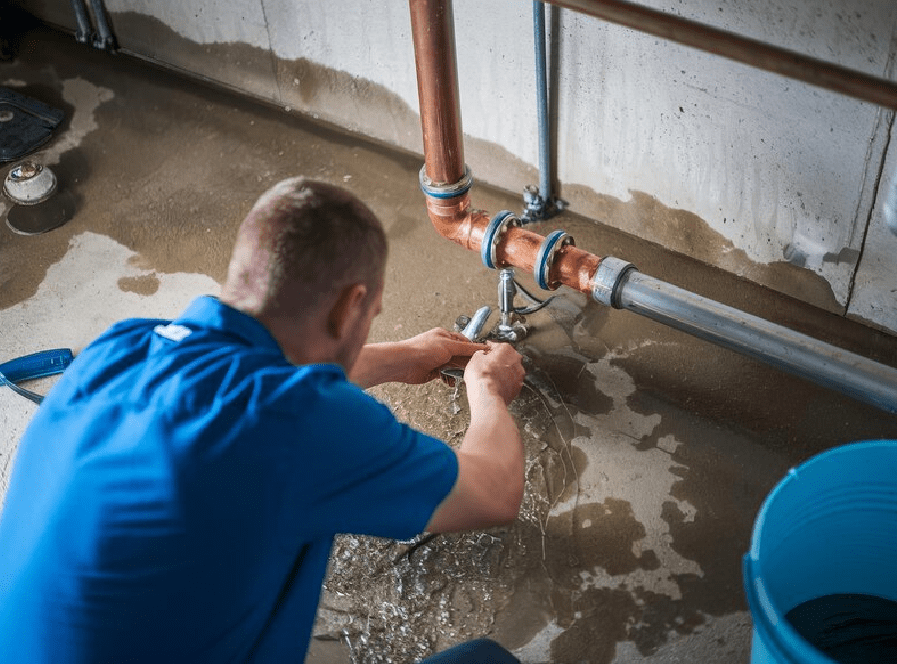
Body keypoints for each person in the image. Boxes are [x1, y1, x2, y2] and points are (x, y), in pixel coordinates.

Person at [0, 178, 525, 663]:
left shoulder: (119, 347)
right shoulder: (300, 419)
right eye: (373, 314)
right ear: (351, 306)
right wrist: (488, 390)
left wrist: (400, 357)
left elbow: (246, 388)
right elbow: (495, 494)